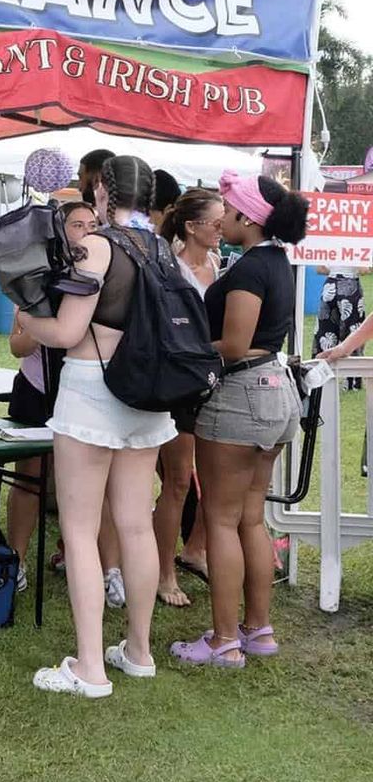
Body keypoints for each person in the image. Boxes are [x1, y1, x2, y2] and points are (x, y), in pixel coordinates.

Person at [22, 157, 176, 697]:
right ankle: (138, 650)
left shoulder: (98, 247)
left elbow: (66, 332)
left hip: (94, 389)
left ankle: (90, 666)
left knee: (81, 530)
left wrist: (24, 319)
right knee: (136, 525)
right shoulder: (162, 248)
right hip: (149, 395)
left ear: (102, 190)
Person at [172, 172, 308, 668]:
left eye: (227, 212)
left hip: (241, 395)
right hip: (274, 394)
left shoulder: (249, 270)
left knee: (221, 521)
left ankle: (223, 639)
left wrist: (182, 348)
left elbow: (232, 345)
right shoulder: (277, 262)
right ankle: (258, 630)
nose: (222, 219)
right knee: (251, 518)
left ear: (248, 218)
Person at [6, 201, 97, 591]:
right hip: (38, 387)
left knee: (89, 484)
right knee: (29, 476)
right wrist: (42, 323)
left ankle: (91, 563)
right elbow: (18, 345)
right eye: (78, 224)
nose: (86, 231)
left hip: (85, 391)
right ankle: (16, 560)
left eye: (93, 224)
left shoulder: (104, 273)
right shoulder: (37, 276)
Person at [153, 189, 223, 606]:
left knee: (213, 481)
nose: (222, 227)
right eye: (216, 221)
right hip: (178, 386)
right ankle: (164, 573)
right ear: (192, 226)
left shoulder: (215, 263)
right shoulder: (169, 268)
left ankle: (194, 549)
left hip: (211, 381)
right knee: (178, 481)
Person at [314, 271, 366, 390]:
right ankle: (350, 382)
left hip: (334, 282)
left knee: (330, 333)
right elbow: (320, 268)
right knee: (349, 331)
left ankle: (323, 378)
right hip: (345, 281)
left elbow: (321, 268)